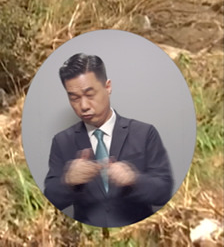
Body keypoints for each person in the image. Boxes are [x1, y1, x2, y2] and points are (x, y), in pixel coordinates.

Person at [42, 53, 174, 228]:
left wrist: (134, 179)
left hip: (137, 235)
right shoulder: (62, 141)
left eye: (90, 94)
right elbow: (49, 199)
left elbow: (164, 191)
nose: (83, 106)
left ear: (108, 86)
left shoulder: (144, 133)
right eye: (74, 98)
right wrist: (69, 181)